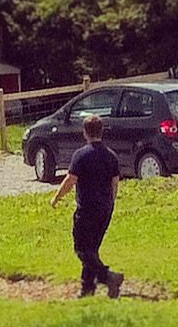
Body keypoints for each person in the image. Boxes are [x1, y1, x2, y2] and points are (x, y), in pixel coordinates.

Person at [49, 112, 124, 298]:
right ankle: (87, 288)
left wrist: (57, 197)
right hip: (105, 209)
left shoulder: (81, 155)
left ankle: (108, 277)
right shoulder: (111, 156)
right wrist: (111, 203)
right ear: (102, 132)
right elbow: (115, 183)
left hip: (87, 210)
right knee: (92, 250)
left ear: (85, 133)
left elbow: (70, 180)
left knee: (81, 249)